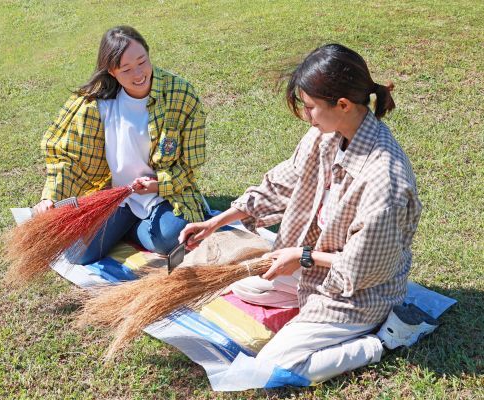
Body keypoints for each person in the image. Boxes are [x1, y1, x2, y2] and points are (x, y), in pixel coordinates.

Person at [179, 44, 427, 384]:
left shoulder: (385, 182)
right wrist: (215, 222)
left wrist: (304, 256)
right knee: (249, 287)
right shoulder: (326, 136)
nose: (307, 116)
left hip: (361, 292)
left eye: (310, 107)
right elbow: (281, 184)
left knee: (273, 368)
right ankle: (310, 307)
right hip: (316, 265)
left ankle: (381, 340)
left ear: (342, 105)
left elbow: (364, 269)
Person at [34, 26, 207, 265]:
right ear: (112, 72)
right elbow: (68, 156)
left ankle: (131, 229)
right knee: (76, 253)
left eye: (142, 61)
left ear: (148, 53)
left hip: (162, 196)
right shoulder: (96, 103)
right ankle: (128, 226)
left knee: (172, 238)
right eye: (126, 69)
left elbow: (190, 164)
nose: (138, 74)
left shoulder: (180, 94)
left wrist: (158, 185)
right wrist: (50, 198)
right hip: (115, 196)